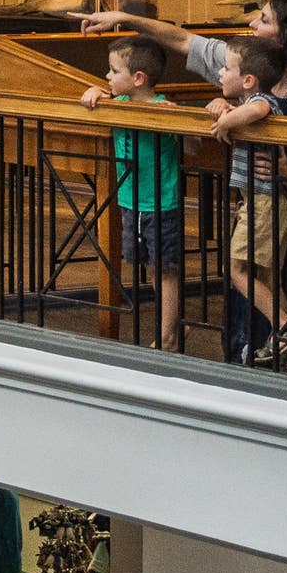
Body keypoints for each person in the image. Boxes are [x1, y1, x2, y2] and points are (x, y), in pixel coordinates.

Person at [81, 0, 287, 361]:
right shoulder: (242, 60)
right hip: (258, 200)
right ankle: (278, 343)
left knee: (252, 274)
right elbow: (184, 40)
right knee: (254, 280)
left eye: (264, 20)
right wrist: (125, 17)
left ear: (286, 37)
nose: (252, 23)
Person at [80, 36, 186, 351]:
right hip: (131, 201)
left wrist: (175, 122)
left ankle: (168, 337)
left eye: (114, 71)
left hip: (160, 202)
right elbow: (91, 99)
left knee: (165, 269)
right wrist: (93, 92)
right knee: (152, 267)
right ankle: (172, 328)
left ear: (138, 78)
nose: (108, 77)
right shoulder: (117, 103)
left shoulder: (162, 108)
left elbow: (193, 145)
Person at [204, 37, 287, 356]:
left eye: (227, 68)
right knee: (270, 279)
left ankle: (286, 326)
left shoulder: (262, 101)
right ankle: (284, 339)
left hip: (264, 202)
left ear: (248, 79)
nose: (220, 72)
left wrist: (227, 120)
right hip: (264, 202)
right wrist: (227, 108)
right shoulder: (248, 101)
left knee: (238, 271)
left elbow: (259, 109)